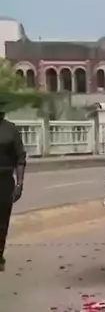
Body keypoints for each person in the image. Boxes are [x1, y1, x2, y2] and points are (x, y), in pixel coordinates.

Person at [0, 106, 26, 271]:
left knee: (2, 222)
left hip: (4, 181)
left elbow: (20, 158)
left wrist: (19, 184)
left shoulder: (10, 130)